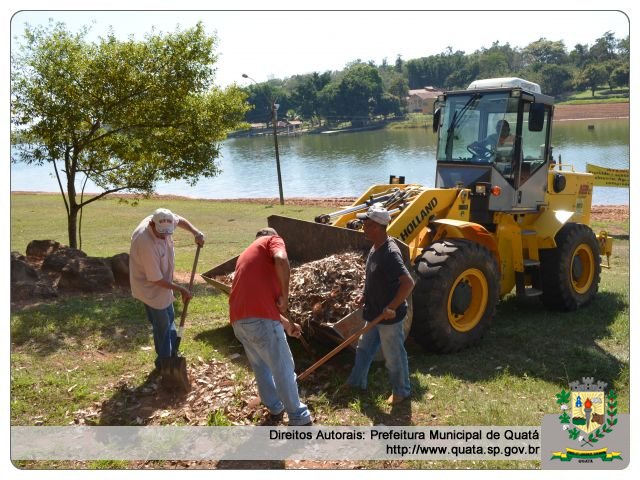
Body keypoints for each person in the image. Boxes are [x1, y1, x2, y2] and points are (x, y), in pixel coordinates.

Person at [229, 227, 313, 426]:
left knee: (262, 367)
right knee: (283, 367)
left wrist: (285, 325)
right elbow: (282, 259)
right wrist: (285, 295)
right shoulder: (272, 240)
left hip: (240, 320)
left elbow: (257, 300)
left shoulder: (246, 255)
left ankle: (275, 407)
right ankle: (298, 417)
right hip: (259, 321)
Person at [346, 205, 415, 405]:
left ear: (377, 226)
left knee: (393, 356)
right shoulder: (375, 246)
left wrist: (392, 307)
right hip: (373, 312)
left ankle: (401, 391)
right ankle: (357, 382)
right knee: (364, 349)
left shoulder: (390, 253)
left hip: (388, 317)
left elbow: (408, 283)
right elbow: (372, 278)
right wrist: (363, 295)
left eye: (367, 225)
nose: (363, 228)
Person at [129, 208, 205, 371]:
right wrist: (181, 289)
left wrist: (196, 232)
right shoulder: (145, 243)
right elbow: (155, 279)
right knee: (162, 323)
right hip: (149, 286)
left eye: (167, 233)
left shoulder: (165, 219)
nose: (164, 236)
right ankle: (164, 362)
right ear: (151, 224)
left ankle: (172, 353)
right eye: (161, 234)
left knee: (169, 317)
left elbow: (180, 220)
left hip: (162, 281)